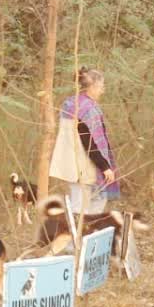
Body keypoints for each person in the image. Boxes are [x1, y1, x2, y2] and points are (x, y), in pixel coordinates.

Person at [49, 69, 119, 215]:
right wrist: (104, 166)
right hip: (86, 166)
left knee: (79, 206)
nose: (102, 91)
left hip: (72, 165)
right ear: (92, 86)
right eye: (101, 87)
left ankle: (81, 235)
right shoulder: (88, 109)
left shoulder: (70, 104)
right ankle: (81, 236)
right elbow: (89, 141)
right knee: (87, 209)